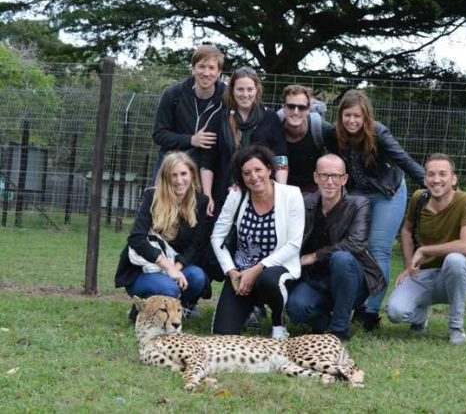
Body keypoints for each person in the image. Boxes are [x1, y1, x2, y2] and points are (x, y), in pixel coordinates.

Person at [329, 89, 425, 331]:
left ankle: (370, 312)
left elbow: (403, 160)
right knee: (354, 248)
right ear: (340, 115)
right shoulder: (333, 134)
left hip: (387, 192)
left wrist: (431, 184)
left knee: (378, 249)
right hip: (357, 194)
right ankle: (357, 303)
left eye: (357, 116)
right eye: (347, 115)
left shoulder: (379, 133)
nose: (352, 121)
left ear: (366, 117)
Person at [286, 154, 386, 341]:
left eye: (335, 176)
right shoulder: (304, 203)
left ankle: (340, 330)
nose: (330, 181)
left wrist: (315, 256)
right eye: (324, 175)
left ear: (344, 179)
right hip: (316, 278)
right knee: (296, 309)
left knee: (341, 258)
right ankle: (325, 320)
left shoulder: (359, 204)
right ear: (316, 177)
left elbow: (356, 244)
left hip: (351, 277)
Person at [210, 145, 304, 338]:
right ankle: (251, 308)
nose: (253, 177)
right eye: (246, 173)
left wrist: (256, 269)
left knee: (268, 278)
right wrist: (232, 271)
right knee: (222, 334)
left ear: (269, 169)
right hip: (241, 272)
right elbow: (217, 236)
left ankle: (278, 324)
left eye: (258, 169)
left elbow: (294, 245)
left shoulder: (292, 194)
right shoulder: (236, 195)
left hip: (276, 270)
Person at [386, 153, 466, 345]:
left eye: (443, 174)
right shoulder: (419, 198)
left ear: (453, 179)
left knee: (455, 259)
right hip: (423, 273)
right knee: (395, 312)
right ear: (425, 179)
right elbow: (406, 230)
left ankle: (456, 327)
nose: (436, 180)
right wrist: (408, 265)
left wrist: (424, 251)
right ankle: (420, 317)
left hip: (454, 276)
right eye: (431, 174)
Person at [115, 151, 211, 321]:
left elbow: (196, 245)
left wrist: (177, 268)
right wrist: (168, 268)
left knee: (197, 277)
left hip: (175, 265)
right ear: (166, 177)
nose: (179, 180)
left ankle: (175, 310)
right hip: (143, 269)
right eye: (174, 175)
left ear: (192, 174)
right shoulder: (152, 196)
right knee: (169, 289)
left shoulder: (201, 201)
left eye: (183, 174)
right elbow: (137, 238)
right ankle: (142, 309)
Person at [200, 67, 288, 217]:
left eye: (249, 89)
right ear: (232, 90)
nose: (245, 94)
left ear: (256, 90)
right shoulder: (219, 118)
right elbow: (207, 160)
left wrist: (280, 192)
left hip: (262, 194)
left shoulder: (270, 119)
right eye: (240, 89)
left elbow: (280, 157)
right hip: (224, 194)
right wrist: (207, 195)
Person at [151, 44, 226, 181]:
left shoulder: (227, 97)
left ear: (219, 72)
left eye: (211, 68)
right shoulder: (173, 95)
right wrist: (191, 140)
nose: (206, 73)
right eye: (201, 66)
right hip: (173, 166)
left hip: (208, 170)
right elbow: (159, 134)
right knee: (159, 196)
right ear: (193, 69)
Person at [276, 84, 332, 193]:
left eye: (301, 107)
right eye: (291, 106)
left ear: (308, 109)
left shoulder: (322, 130)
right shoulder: (272, 128)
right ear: (283, 107)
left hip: (313, 191)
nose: (296, 111)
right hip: (279, 188)